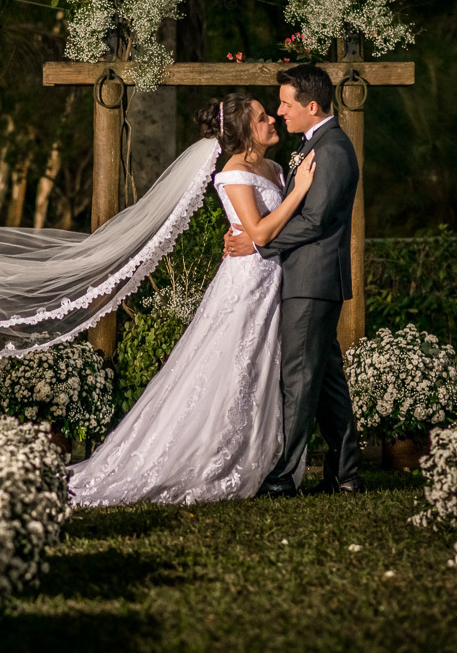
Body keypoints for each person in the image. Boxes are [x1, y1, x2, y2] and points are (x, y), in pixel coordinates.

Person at [67, 92, 316, 506]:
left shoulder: (273, 168)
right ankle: (209, 457)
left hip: (275, 280)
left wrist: (257, 231)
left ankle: (263, 454)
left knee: (262, 367)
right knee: (231, 366)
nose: (272, 119)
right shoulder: (233, 173)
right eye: (261, 117)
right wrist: (298, 190)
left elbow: (266, 231)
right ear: (244, 132)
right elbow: (260, 232)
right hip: (246, 285)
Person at [224, 64, 364, 497]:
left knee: (299, 379)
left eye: (286, 104)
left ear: (312, 106)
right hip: (305, 278)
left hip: (313, 279)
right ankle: (346, 475)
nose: (281, 111)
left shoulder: (332, 149)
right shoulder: (312, 145)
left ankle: (283, 476)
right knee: (326, 381)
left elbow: (316, 220)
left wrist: (259, 244)